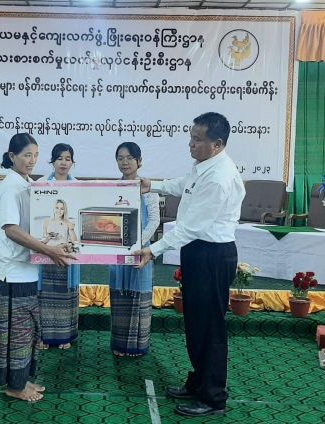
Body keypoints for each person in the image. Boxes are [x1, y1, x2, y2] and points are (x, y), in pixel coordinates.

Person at [135, 112, 245, 417]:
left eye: (197, 140)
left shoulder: (219, 178)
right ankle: (198, 382)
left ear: (217, 144)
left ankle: (213, 397)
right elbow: (183, 185)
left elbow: (191, 227)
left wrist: (152, 250)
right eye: (191, 138)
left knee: (209, 327)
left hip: (212, 254)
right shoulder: (204, 167)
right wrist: (152, 185)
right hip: (199, 252)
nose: (191, 145)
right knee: (196, 323)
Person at [0, 133, 75, 403]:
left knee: (28, 328)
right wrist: (49, 250)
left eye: (36, 155)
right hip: (12, 269)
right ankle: (14, 387)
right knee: (17, 331)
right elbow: (11, 230)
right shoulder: (10, 187)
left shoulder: (28, 183)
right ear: (12, 156)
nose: (32, 160)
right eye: (27, 155)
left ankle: (22, 379)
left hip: (27, 266)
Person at [109, 142, 159, 358]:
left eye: (130, 158)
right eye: (120, 158)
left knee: (139, 296)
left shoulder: (148, 188)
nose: (125, 162)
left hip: (141, 252)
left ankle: (137, 346)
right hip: (117, 249)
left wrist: (137, 244)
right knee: (119, 295)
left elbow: (154, 221)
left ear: (139, 161)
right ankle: (119, 344)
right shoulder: (113, 188)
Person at [37, 144, 80, 350]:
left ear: (72, 162)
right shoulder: (40, 185)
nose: (64, 162)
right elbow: (40, 238)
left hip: (68, 256)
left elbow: (76, 239)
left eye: (68, 158)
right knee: (45, 293)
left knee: (66, 294)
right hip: (46, 257)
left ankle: (65, 336)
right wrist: (46, 240)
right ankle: (44, 336)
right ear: (52, 161)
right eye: (59, 158)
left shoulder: (79, 187)